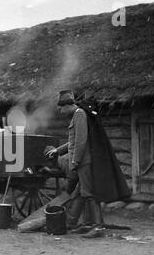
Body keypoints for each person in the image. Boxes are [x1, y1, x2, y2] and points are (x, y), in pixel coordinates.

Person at [46, 90, 131, 238]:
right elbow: (73, 141)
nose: (60, 111)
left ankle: (97, 228)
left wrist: (74, 162)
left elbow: (80, 142)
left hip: (83, 162)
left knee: (89, 194)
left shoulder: (79, 114)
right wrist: (58, 151)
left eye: (61, 108)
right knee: (82, 192)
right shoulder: (78, 115)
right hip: (82, 161)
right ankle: (87, 224)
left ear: (67, 105)